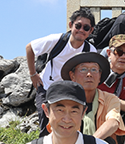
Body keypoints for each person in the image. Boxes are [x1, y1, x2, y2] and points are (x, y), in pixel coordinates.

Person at [27, 8, 98, 136]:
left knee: (70, 125)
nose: (81, 30)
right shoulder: (57, 40)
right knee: (46, 123)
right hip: (47, 87)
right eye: (78, 25)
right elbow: (30, 48)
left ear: (91, 31)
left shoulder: (90, 50)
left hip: (70, 92)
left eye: (86, 28)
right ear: (71, 25)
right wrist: (33, 75)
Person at [61, 52, 125, 144]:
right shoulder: (64, 101)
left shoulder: (110, 98)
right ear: (72, 76)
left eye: (94, 70)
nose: (89, 74)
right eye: (83, 69)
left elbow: (113, 122)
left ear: (100, 76)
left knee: (108, 142)